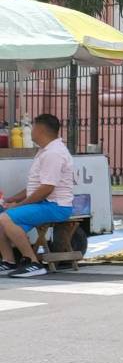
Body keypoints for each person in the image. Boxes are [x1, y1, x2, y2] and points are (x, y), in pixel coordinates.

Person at [0, 114, 75, 278]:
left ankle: (33, 263)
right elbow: (35, 187)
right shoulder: (45, 151)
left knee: (5, 218)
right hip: (44, 203)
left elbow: (46, 189)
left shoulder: (53, 153)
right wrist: (12, 199)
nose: (31, 131)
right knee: (1, 215)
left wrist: (19, 206)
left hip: (56, 206)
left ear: (40, 130)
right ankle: (8, 262)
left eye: (32, 127)